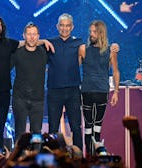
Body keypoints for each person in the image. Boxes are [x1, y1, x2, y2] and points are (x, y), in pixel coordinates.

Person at [0, 15, 53, 164]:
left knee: (29, 131)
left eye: (0, 23)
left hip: (16, 96)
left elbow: (29, 42)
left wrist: (44, 41)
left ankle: (31, 160)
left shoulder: (11, 45)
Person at [80, 20, 120, 155]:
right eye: (90, 31)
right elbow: (73, 67)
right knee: (87, 128)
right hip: (86, 91)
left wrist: (116, 92)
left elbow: (115, 71)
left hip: (102, 91)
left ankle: (95, 159)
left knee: (97, 128)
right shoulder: (83, 49)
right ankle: (89, 158)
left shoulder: (111, 51)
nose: (91, 34)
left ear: (101, 33)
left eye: (94, 32)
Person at [46, 13, 85, 150]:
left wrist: (113, 49)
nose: (64, 28)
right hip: (54, 90)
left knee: (76, 126)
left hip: (73, 90)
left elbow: (91, 56)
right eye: (62, 25)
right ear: (57, 27)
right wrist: (42, 42)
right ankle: (51, 157)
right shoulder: (49, 43)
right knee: (53, 127)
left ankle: (79, 157)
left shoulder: (79, 42)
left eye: (67, 25)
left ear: (72, 27)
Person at [11, 22, 48, 141]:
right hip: (19, 98)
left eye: (34, 34)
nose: (32, 37)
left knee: (37, 134)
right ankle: (18, 159)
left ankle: (35, 159)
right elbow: (3, 69)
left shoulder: (44, 52)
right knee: (20, 134)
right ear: (24, 36)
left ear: (38, 36)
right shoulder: (17, 53)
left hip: (38, 99)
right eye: (29, 34)